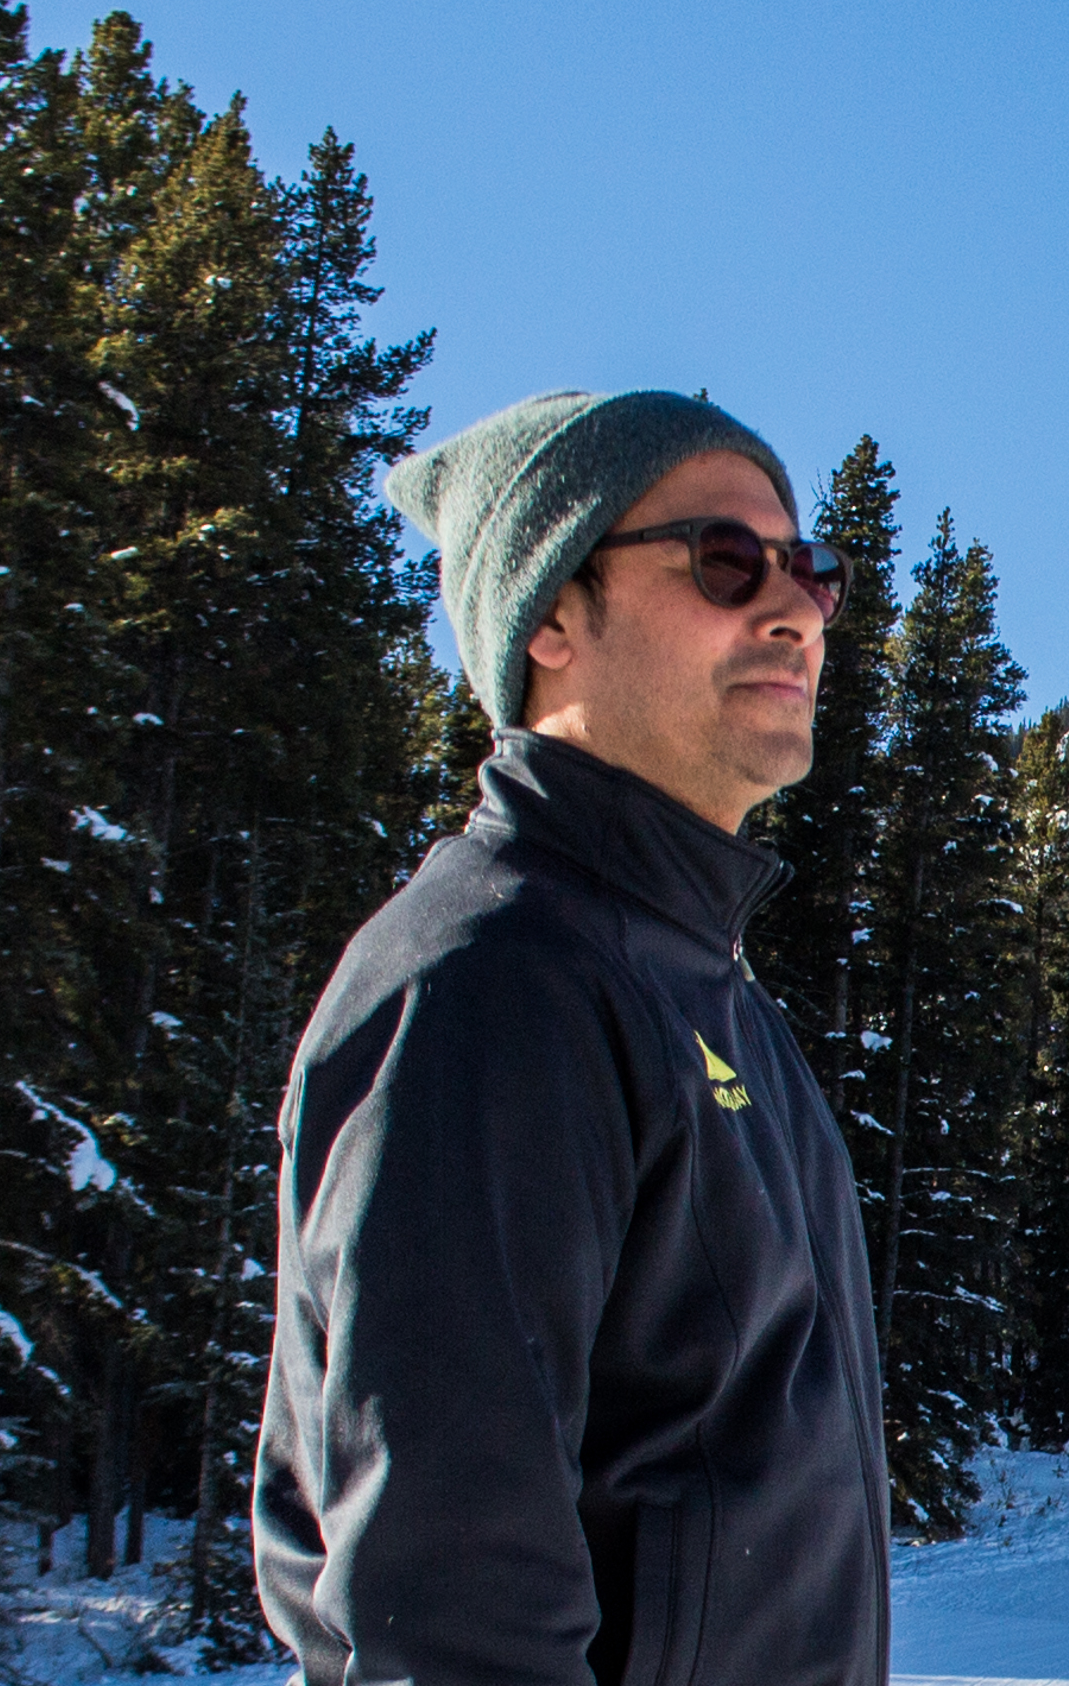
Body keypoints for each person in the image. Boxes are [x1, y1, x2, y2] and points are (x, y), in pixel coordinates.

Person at [257, 390, 889, 1686]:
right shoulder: (490, 985)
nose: (791, 608)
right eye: (724, 559)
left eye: (810, 570)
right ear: (552, 613)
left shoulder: (712, 999)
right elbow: (446, 1613)